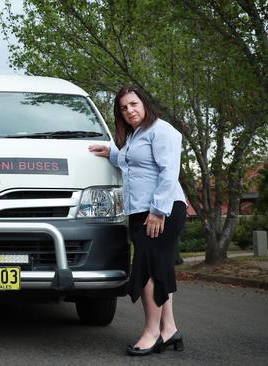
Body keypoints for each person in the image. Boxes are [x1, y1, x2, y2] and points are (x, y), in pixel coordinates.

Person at [89, 86, 187, 356]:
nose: (129, 110)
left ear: (144, 103)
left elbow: (169, 172)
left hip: (160, 210)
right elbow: (131, 163)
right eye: (123, 108)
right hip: (139, 211)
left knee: (147, 268)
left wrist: (158, 211)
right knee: (160, 267)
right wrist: (110, 151)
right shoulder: (134, 136)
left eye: (133, 104)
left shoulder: (161, 130)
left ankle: (152, 332)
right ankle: (169, 329)